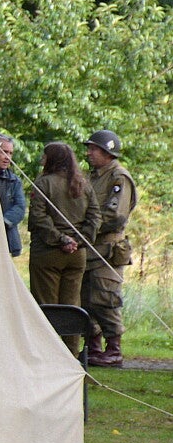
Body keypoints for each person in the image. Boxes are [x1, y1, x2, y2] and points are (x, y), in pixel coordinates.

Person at [80, 130, 136, 368]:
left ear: (107, 152)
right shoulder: (92, 176)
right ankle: (92, 346)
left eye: (93, 149)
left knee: (105, 298)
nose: (89, 153)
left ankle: (114, 349)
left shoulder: (118, 177)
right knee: (86, 298)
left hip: (108, 249)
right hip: (90, 248)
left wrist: (85, 228)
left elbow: (115, 215)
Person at [27, 142, 90, 354]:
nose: (42, 160)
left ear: (52, 159)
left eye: (45, 156)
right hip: (77, 255)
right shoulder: (84, 185)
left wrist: (61, 239)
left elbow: (39, 217)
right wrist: (78, 241)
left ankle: (48, 354)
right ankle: (71, 354)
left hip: (48, 253)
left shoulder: (43, 183)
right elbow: (95, 218)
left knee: (47, 305)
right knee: (72, 305)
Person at [0, 133, 27, 256]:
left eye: (11, 153)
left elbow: (20, 208)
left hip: (5, 239)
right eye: (4, 152)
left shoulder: (14, 181)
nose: (8, 157)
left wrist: (2, 223)